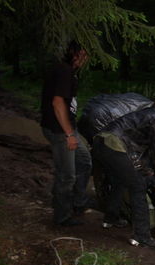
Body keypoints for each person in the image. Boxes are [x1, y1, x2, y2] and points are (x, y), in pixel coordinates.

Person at [92, 95, 155, 248]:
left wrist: (146, 170)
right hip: (114, 144)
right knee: (138, 186)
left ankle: (111, 218)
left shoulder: (144, 115)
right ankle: (142, 236)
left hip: (101, 142)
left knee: (121, 180)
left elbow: (137, 151)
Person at [40, 41, 92, 226]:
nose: (84, 59)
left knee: (84, 161)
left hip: (68, 127)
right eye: (82, 55)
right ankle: (62, 216)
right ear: (73, 53)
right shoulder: (64, 71)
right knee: (67, 174)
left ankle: (78, 202)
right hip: (60, 130)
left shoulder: (68, 71)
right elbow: (57, 102)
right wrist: (69, 134)